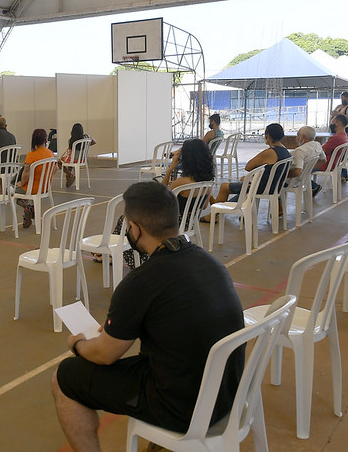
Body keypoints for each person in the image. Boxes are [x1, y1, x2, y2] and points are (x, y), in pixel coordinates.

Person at [51, 181, 245, 452]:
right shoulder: (210, 262)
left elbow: (104, 355)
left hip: (185, 410)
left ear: (135, 228)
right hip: (228, 394)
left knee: (66, 376)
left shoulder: (141, 281)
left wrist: (77, 345)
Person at [105, 139, 214, 268]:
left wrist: (171, 167)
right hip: (189, 222)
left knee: (126, 221)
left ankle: (123, 256)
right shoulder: (208, 182)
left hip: (172, 223)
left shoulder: (182, 182)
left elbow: (162, 195)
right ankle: (110, 255)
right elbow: (205, 205)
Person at [205, 123, 291, 206]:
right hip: (275, 186)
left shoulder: (270, 152)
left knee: (224, 186)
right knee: (244, 183)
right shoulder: (285, 151)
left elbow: (248, 167)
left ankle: (217, 211)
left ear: (268, 136)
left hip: (262, 187)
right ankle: (220, 206)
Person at [15, 128, 55, 228]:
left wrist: (21, 183)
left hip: (32, 189)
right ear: (46, 140)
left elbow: (25, 174)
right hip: (45, 188)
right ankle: (29, 209)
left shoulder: (31, 155)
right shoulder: (50, 154)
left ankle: (27, 207)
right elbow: (54, 169)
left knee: (11, 192)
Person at [311, 114, 348, 196]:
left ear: (338, 123)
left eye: (333, 121)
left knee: (303, 167)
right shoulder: (344, 136)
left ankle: (314, 186)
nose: (331, 123)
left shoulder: (335, 138)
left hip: (324, 164)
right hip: (333, 164)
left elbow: (321, 151)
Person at [59, 123, 96, 188]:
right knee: (70, 161)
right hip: (82, 159)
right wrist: (87, 144)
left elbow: (70, 152)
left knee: (59, 161)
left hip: (74, 159)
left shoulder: (71, 140)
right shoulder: (86, 137)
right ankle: (69, 177)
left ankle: (69, 175)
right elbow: (94, 141)